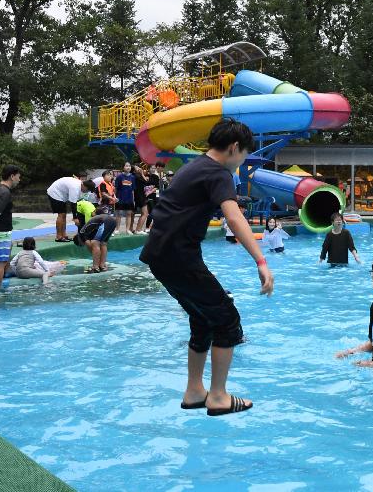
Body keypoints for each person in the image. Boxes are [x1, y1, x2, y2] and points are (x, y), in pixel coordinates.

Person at [139, 118, 273, 417]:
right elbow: (234, 217)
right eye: (242, 156)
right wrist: (261, 261)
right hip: (178, 257)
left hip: (160, 256)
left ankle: (194, 391)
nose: (240, 163)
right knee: (227, 319)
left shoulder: (194, 166)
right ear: (235, 148)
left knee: (203, 319)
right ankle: (218, 396)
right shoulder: (218, 172)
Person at [46, 176, 95, 242]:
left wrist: (76, 217)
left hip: (61, 195)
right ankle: (59, 237)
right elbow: (73, 204)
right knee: (61, 214)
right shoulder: (75, 187)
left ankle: (64, 235)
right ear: (84, 186)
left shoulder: (79, 185)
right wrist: (75, 218)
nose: (87, 192)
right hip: (55, 193)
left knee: (64, 215)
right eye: (88, 190)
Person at [115, 162, 137, 234]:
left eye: (129, 166)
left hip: (129, 199)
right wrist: (115, 198)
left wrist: (133, 200)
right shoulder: (119, 177)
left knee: (129, 214)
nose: (128, 167)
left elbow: (133, 190)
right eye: (126, 166)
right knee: (119, 214)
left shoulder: (133, 177)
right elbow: (116, 188)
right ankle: (117, 229)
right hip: (120, 198)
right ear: (123, 167)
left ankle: (127, 230)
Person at [132, 165, 149, 235]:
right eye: (137, 167)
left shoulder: (135, 176)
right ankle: (138, 230)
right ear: (134, 170)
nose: (139, 168)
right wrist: (142, 173)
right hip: (140, 196)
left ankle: (137, 229)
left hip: (138, 196)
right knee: (145, 213)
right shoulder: (137, 176)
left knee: (143, 213)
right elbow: (146, 182)